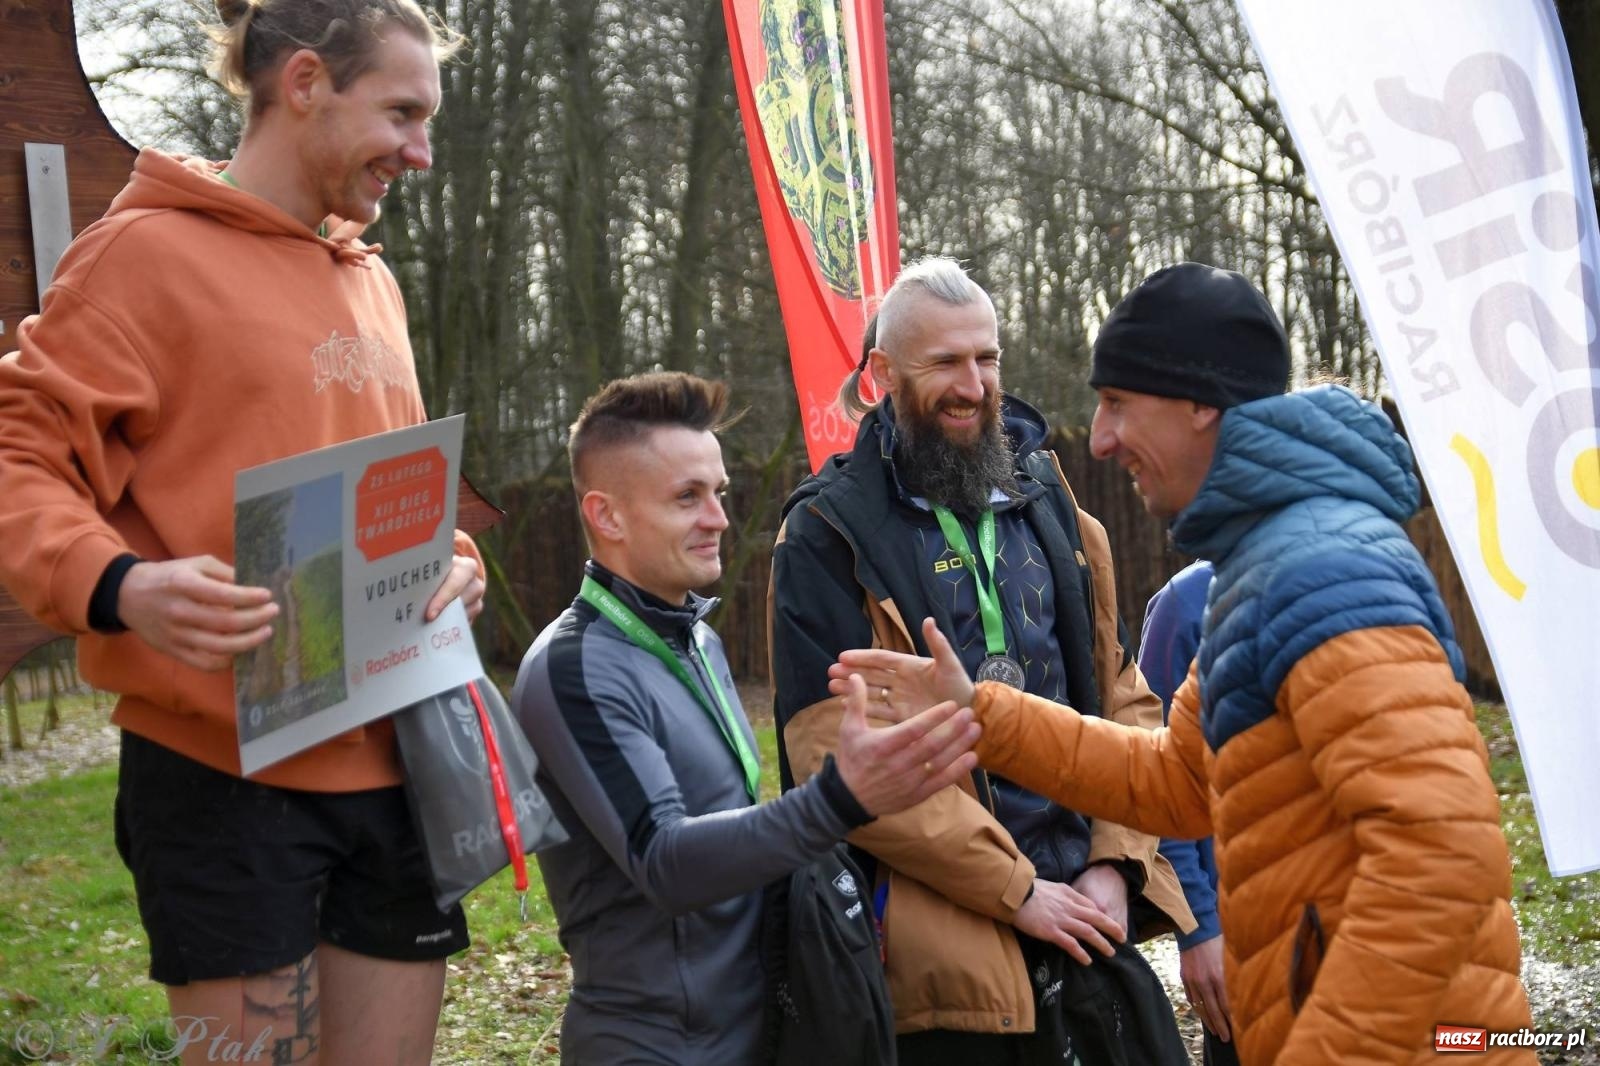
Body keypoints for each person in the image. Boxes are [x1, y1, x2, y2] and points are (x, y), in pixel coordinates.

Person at [837, 262, 1537, 1064]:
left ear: (1201, 404)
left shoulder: (1323, 571)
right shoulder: (1266, 562)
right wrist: (981, 714)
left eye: (1119, 405)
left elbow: (1440, 855)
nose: (1099, 439)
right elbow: (1178, 781)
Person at [0, 2, 485, 1062]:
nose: (423, 151)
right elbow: (17, 460)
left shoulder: (375, 278)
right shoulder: (139, 258)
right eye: (402, 111)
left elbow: (397, 492)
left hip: (397, 765)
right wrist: (120, 583)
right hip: (222, 780)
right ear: (305, 82)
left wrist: (454, 563)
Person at [769, 257, 1194, 1064]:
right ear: (884, 374)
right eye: (946, 363)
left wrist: (1115, 864)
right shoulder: (826, 536)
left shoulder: (1053, 506)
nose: (973, 384)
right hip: (947, 981)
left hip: (1092, 928)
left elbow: (1127, 700)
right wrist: (1018, 891)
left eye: (988, 358)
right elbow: (836, 756)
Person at [511, 371, 980, 1066]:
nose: (719, 519)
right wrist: (838, 799)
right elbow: (665, 861)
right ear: (606, 516)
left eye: (719, 493)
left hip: (754, 1038)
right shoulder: (572, 666)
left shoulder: (695, 636)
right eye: (687, 498)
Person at [1142, 560, 1238, 1065]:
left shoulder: (1370, 573)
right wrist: (1198, 928)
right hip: (1242, 950)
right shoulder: (1187, 602)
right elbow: (1160, 783)